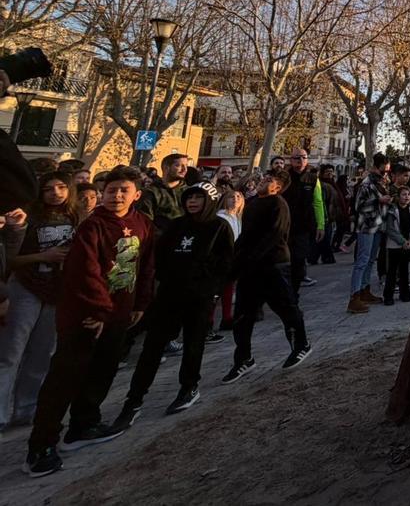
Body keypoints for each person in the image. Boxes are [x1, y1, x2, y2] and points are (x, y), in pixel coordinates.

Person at [24, 165, 155, 477]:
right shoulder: (92, 227)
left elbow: (146, 266)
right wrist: (97, 312)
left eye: (124, 190)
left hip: (119, 314)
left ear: (136, 195)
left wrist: (141, 302)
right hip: (85, 317)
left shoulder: (143, 224)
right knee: (65, 378)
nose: (116, 196)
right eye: (111, 190)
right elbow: (84, 274)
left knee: (102, 372)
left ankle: (84, 425)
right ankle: (40, 446)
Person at [110, 181, 234, 428]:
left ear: (208, 200)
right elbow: (161, 256)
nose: (193, 202)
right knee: (152, 347)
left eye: (199, 198)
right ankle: (134, 399)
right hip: (169, 294)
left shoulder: (218, 227)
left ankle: (189, 387)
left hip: (199, 296)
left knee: (193, 344)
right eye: (189, 197)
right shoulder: (177, 225)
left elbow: (227, 262)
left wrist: (212, 290)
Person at [0, 172, 79, 432]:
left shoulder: (76, 217)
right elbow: (10, 260)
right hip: (25, 288)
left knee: (42, 354)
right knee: (10, 353)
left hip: (57, 292)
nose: (55, 193)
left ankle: (26, 410)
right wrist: (45, 255)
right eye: (48, 189)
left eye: (60, 187)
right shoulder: (26, 217)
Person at [222, 168, 311, 385]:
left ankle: (301, 345)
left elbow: (274, 235)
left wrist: (252, 257)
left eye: (269, 180)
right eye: (265, 178)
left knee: (286, 308)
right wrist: (234, 263)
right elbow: (244, 236)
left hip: (273, 265)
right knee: (243, 315)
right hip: (250, 268)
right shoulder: (252, 205)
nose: (263, 181)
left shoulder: (278, 204)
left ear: (278, 187)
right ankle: (243, 357)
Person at [348, 154, 391, 314]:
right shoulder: (367, 183)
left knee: (371, 259)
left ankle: (365, 290)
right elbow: (359, 205)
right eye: (385, 170)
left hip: (378, 224)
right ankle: (354, 296)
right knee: (362, 260)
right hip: (367, 225)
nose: (386, 173)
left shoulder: (380, 182)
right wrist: (379, 201)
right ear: (379, 166)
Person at [283, 149, 325, 302]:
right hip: (283, 226)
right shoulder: (283, 177)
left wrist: (321, 224)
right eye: (296, 157)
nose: (300, 160)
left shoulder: (313, 178)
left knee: (299, 261)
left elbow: (318, 202)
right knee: (282, 262)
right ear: (291, 160)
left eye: (303, 157)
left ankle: (293, 293)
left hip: (303, 226)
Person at [381, 186, 410, 304]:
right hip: (395, 245)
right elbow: (390, 229)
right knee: (392, 271)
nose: (406, 197)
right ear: (398, 196)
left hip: (408, 244)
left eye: (408, 194)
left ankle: (405, 294)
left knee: (404, 270)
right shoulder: (392, 211)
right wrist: (402, 241)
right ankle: (388, 296)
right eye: (404, 194)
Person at [214, 189, 245, 334]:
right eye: (231, 197)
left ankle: (227, 318)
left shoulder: (238, 218)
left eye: (238, 197)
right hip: (221, 258)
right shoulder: (220, 217)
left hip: (234, 257)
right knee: (216, 291)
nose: (235, 199)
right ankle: (208, 322)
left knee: (228, 289)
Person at [138, 153, 189, 230]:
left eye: (186, 166)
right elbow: (145, 221)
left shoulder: (190, 192)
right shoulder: (151, 192)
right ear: (166, 168)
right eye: (179, 165)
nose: (184, 169)